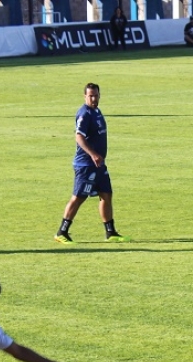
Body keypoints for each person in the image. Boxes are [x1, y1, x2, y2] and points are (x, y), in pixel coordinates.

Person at [54, 83, 129, 244]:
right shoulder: (84, 114)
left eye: (96, 95)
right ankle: (62, 231)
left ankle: (111, 232)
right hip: (86, 165)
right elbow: (79, 136)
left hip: (99, 165)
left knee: (106, 195)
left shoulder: (97, 111)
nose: (94, 98)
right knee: (79, 197)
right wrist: (93, 154)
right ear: (85, 96)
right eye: (90, 96)